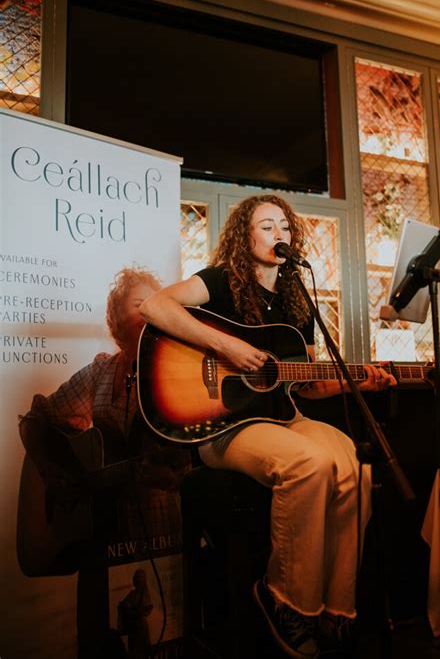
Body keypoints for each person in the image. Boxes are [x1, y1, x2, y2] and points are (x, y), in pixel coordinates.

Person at [139, 194, 396, 659]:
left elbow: (307, 386)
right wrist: (229, 349)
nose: (278, 234)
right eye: (265, 226)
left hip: (283, 418)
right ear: (244, 235)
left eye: (284, 227)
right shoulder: (220, 281)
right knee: (310, 462)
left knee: (354, 466)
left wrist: (357, 384)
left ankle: (336, 608)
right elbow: (155, 307)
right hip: (223, 429)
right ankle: (284, 599)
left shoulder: (297, 300)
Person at [19, 265, 190, 658]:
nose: (148, 311)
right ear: (115, 320)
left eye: (155, 303)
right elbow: (36, 419)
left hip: (160, 537)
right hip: (101, 542)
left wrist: (176, 476)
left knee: (164, 641)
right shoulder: (102, 370)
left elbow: (194, 457)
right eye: (137, 304)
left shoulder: (179, 374)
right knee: (99, 644)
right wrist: (54, 473)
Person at [117, 568, 153, 659]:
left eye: (141, 578)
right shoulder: (132, 594)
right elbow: (123, 606)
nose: (139, 580)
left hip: (140, 627)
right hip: (134, 628)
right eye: (137, 578)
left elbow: (146, 610)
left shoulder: (144, 594)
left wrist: (132, 610)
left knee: (141, 651)